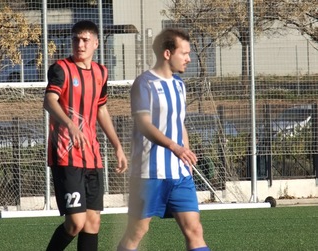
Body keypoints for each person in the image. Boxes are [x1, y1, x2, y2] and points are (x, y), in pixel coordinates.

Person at [117, 28, 210, 251]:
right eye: (184, 53)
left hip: (179, 174)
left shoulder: (179, 85)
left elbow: (179, 123)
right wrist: (174, 147)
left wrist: (185, 153)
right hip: (149, 173)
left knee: (195, 230)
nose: (189, 59)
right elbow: (144, 124)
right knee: (137, 232)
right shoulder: (144, 83)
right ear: (167, 53)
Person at [44, 20, 128, 251]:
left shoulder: (101, 72)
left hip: (92, 156)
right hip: (66, 155)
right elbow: (49, 101)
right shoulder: (60, 69)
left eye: (85, 40)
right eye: (75, 39)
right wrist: (70, 125)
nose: (79, 44)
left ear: (96, 43)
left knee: (93, 222)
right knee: (76, 223)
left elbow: (101, 109)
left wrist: (117, 146)